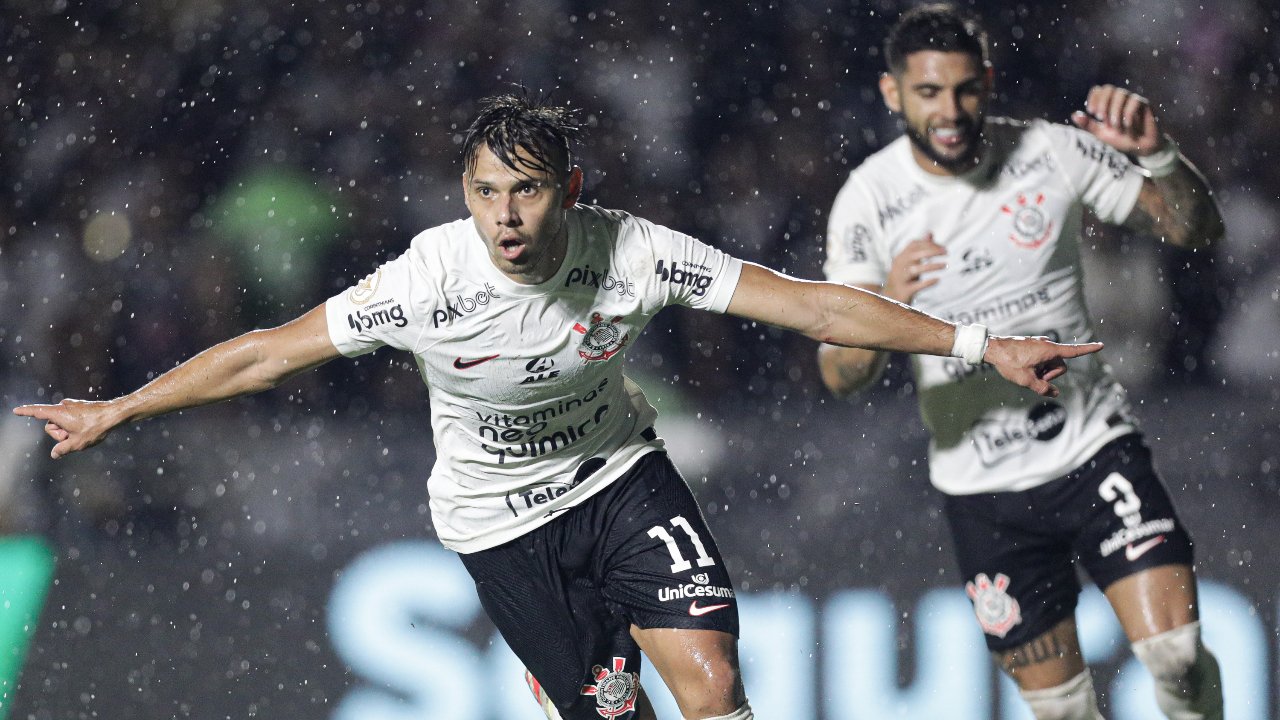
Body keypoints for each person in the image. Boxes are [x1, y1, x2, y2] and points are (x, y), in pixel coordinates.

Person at [14, 91, 1100, 720]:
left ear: (567, 193)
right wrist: (120, 410)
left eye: (525, 190)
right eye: (485, 192)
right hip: (499, 524)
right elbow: (262, 356)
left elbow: (809, 304)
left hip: (621, 477)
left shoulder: (631, 251)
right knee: (610, 712)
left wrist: (977, 342)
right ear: (464, 196)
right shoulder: (425, 277)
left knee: (713, 684)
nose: (504, 216)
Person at [818, 5, 1226, 720]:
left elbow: (1195, 228)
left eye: (966, 90)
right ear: (893, 95)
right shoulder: (868, 202)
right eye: (929, 93)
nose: (950, 112)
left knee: (1177, 657)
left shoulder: (1052, 152)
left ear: (989, 83)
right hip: (984, 493)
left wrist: (1159, 157)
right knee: (1063, 711)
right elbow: (840, 375)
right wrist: (883, 309)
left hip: (1092, 448)